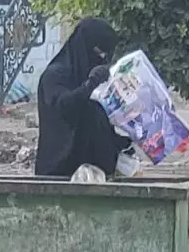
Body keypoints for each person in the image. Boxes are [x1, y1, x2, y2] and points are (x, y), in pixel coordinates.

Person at [35, 17, 132, 177]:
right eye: (100, 52)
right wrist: (89, 85)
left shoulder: (95, 79)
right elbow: (64, 106)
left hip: (95, 175)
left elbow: (97, 122)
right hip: (59, 173)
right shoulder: (55, 75)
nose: (103, 59)